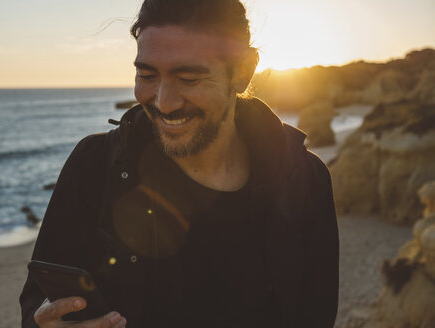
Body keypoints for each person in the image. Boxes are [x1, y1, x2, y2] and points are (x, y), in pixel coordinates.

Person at [20, 0, 339, 327]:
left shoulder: (306, 179)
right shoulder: (93, 165)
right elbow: (36, 304)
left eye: (189, 78)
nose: (164, 102)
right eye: (146, 74)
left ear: (242, 72)